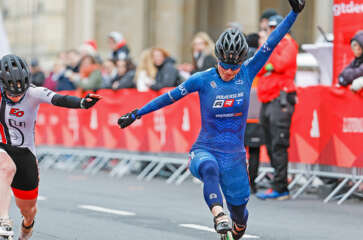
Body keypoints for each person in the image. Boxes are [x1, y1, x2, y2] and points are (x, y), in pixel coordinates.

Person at [117, 1, 304, 239]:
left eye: (233, 67)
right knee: (208, 168)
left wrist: (294, 14)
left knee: (240, 217)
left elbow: (271, 42)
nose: (229, 71)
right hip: (205, 148)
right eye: (225, 66)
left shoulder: (247, 71)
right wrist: (136, 113)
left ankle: (233, 223)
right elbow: (168, 98)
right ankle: (218, 215)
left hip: (234, 156)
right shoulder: (201, 79)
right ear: (218, 58)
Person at [0, 50, 102, 239]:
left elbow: (58, 99)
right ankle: (4, 220)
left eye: (20, 91)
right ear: (2, 84)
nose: (16, 96)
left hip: (25, 155)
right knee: (6, 168)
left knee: (29, 211)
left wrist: (82, 103)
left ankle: (25, 229)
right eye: (11, 92)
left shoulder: (33, 93)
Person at [255, 14, 299, 200]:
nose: (270, 31)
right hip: (267, 99)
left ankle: (281, 186)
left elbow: (280, 64)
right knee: (270, 142)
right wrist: (270, 63)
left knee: (279, 143)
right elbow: (260, 67)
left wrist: (270, 52)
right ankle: (278, 182)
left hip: (280, 98)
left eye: (273, 28)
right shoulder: (273, 45)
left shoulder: (288, 43)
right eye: (269, 28)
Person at [244, 33, 265, 194]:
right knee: (255, 151)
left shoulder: (241, 58)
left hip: (243, 113)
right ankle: (252, 184)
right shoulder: (262, 56)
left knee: (240, 151)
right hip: (257, 111)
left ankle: (242, 182)